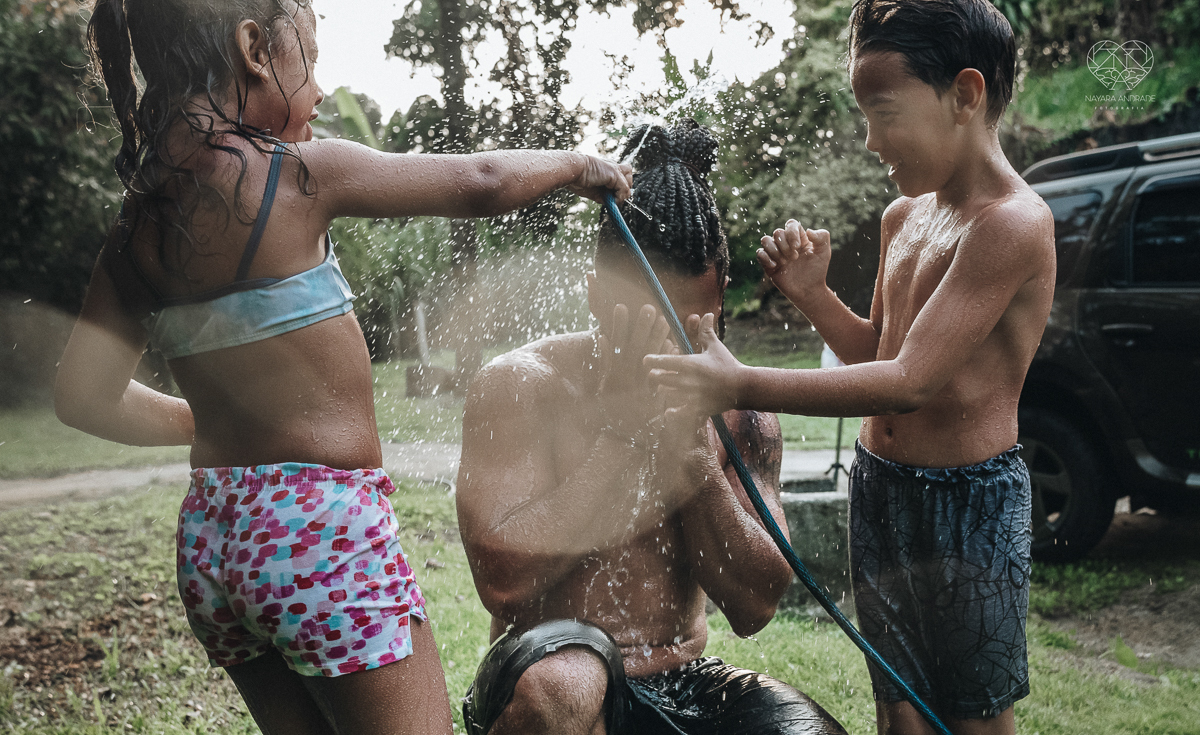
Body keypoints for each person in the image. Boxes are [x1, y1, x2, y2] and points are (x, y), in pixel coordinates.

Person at [54, 2, 632, 733]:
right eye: (312, 59)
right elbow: (480, 180)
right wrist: (581, 166)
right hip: (319, 534)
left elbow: (81, 396)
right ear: (255, 49)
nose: (322, 91)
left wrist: (215, 428)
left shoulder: (135, 224)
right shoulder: (296, 177)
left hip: (212, 543)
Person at [645, 2, 1055, 734]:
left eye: (884, 111)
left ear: (966, 95)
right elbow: (879, 354)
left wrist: (741, 381)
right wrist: (814, 295)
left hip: (967, 505)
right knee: (898, 704)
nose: (870, 139)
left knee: (974, 712)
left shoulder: (1012, 225)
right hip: (880, 484)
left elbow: (913, 381)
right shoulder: (907, 218)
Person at [455, 121, 848, 735]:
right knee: (571, 681)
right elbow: (503, 587)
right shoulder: (523, 384)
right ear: (592, 295)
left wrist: (692, 461)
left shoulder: (739, 411)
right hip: (544, 673)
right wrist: (623, 434)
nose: (670, 348)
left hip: (678, 678)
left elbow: (756, 605)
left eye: (690, 324)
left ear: (719, 294)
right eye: (645, 322)